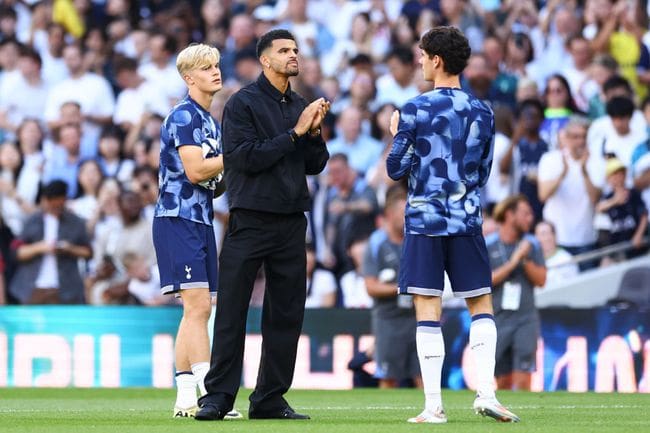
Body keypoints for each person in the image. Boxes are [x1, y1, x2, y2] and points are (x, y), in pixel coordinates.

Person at [386, 26, 519, 424]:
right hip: (467, 218)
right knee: (481, 303)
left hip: (425, 221)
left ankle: (434, 406)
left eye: (424, 55)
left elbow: (396, 169)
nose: (421, 61)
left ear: (437, 60)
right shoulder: (483, 111)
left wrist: (397, 135)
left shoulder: (415, 109)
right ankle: (487, 393)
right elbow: (482, 173)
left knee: (428, 307)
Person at [195, 29, 329, 421]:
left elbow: (314, 164)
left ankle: (269, 397)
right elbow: (244, 158)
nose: (293, 56)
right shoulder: (242, 105)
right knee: (233, 309)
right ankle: (218, 397)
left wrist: (314, 133)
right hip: (250, 218)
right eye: (284, 50)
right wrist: (295, 133)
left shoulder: (300, 104)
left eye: (296, 50)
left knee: (287, 313)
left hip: (290, 221)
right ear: (265, 60)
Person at [151, 43, 237, 419]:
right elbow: (196, 171)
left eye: (216, 66)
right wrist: (236, 157)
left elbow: (214, 183)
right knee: (199, 305)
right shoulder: (184, 116)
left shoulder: (209, 121)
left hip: (200, 218)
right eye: (206, 68)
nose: (215, 72)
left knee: (196, 309)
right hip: (177, 217)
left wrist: (226, 171)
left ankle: (185, 394)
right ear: (189, 78)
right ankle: (210, 391)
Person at [486, 195, 547, 391]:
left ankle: (525, 419)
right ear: (510, 215)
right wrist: (513, 262)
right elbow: (484, 281)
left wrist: (524, 260)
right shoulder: (489, 245)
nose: (530, 218)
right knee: (502, 381)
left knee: (523, 378)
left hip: (525, 318)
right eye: (525, 214)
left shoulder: (531, 245)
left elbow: (541, 280)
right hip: (498, 319)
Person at [363, 185, 421, 388]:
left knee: (423, 375)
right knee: (388, 378)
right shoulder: (376, 242)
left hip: (417, 317)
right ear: (389, 214)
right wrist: (402, 287)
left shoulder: (416, 240)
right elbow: (371, 287)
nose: (408, 217)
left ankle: (432, 412)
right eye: (403, 213)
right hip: (388, 320)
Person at [9, 180, 92, 304]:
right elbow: (16, 252)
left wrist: (69, 248)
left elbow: (88, 252)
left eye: (59, 205)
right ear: (45, 200)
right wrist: (39, 248)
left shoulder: (76, 222)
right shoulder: (33, 220)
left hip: (66, 288)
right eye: (52, 205)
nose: (55, 208)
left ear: (64, 200)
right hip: (32, 286)